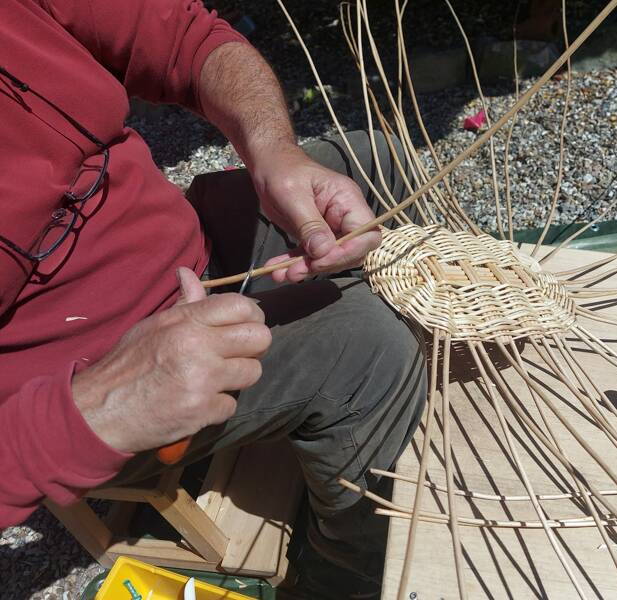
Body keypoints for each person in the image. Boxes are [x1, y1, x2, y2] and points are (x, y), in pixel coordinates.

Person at [0, 1, 427, 597]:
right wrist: (89, 410)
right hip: (100, 384)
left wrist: (274, 150)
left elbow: (184, 36)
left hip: (198, 244)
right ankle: (343, 574)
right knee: (367, 348)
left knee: (373, 159)